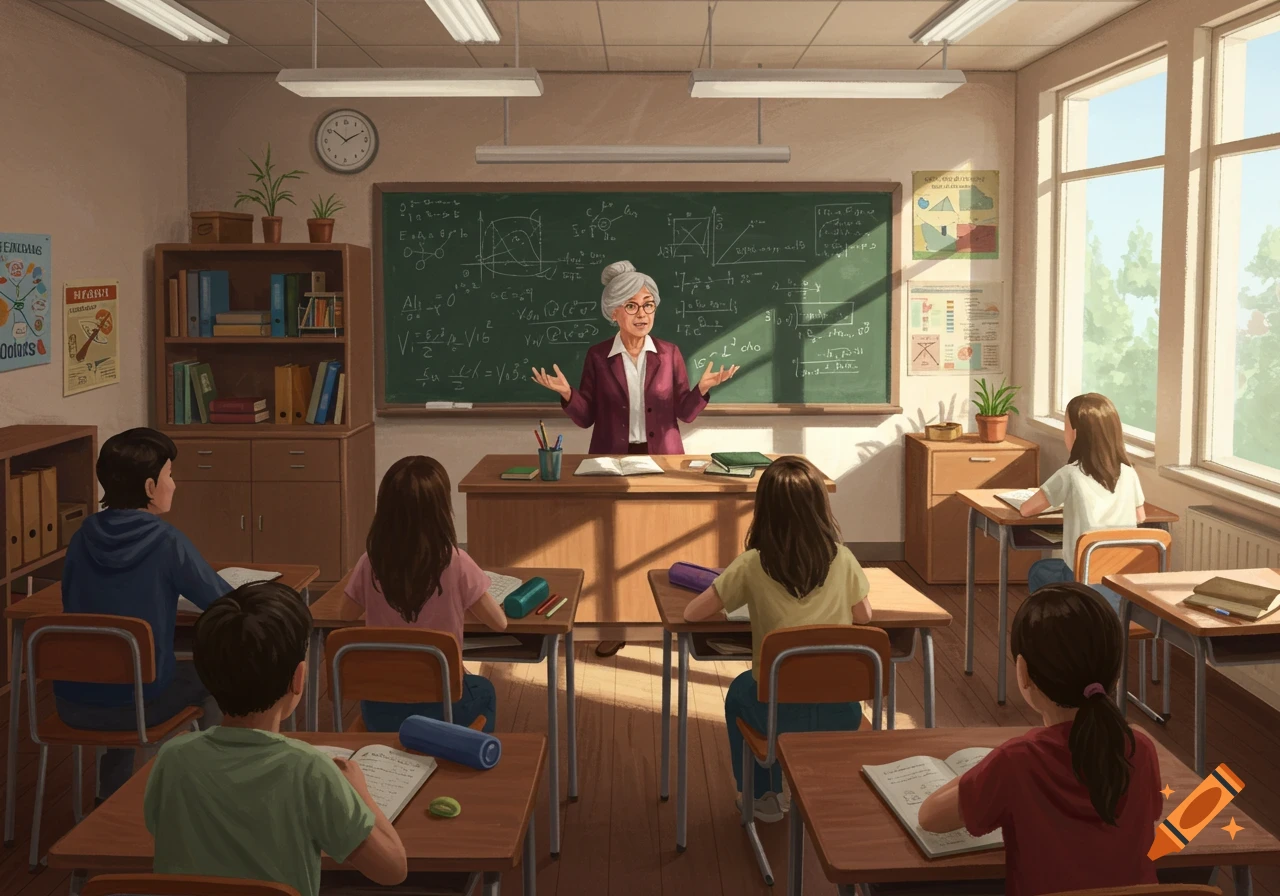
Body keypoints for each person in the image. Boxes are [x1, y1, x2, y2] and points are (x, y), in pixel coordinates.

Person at [144, 581, 408, 896]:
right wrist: (360, 791)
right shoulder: (309, 771)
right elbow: (393, 869)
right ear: (299, 678)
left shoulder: (173, 758)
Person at [531, 259, 739, 657]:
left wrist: (703, 388)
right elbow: (587, 416)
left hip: (663, 462)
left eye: (648, 305)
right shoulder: (597, 357)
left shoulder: (670, 352)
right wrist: (567, 394)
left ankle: (675, 623)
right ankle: (619, 623)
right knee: (615, 546)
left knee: (666, 541)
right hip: (613, 462)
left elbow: (683, 411)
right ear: (614, 312)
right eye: (632, 306)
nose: (642, 314)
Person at [917, 582, 1162, 896]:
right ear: (1114, 671)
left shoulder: (1016, 761)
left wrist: (984, 770)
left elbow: (930, 817)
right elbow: (1152, 814)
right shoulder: (1140, 747)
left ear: (1022, 672)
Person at [682, 456, 873, 823]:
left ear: (764, 509)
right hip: (843, 712)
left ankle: (765, 797)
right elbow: (864, 616)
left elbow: (692, 614)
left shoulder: (753, 562)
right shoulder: (843, 558)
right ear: (820, 506)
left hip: (778, 715)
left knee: (739, 692)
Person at [55, 427, 231, 800]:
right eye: (169, 475)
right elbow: (222, 603)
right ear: (150, 487)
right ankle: (218, 787)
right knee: (220, 675)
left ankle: (109, 795)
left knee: (118, 665)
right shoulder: (166, 542)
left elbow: (72, 601)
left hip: (72, 702)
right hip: (139, 705)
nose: (174, 484)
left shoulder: (81, 537)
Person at [344, 455, 509, 732]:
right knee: (485, 691)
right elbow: (499, 623)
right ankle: (464, 760)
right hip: (444, 707)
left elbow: (344, 614)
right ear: (441, 509)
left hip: (379, 709)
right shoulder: (456, 561)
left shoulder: (370, 561)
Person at [1018, 393, 1146, 610]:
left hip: (1082, 580)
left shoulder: (1070, 474)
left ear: (1075, 434)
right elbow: (1140, 516)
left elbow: (1026, 509)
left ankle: (1054, 631)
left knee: (1039, 571)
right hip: (1120, 583)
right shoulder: (1129, 473)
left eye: (1065, 426)